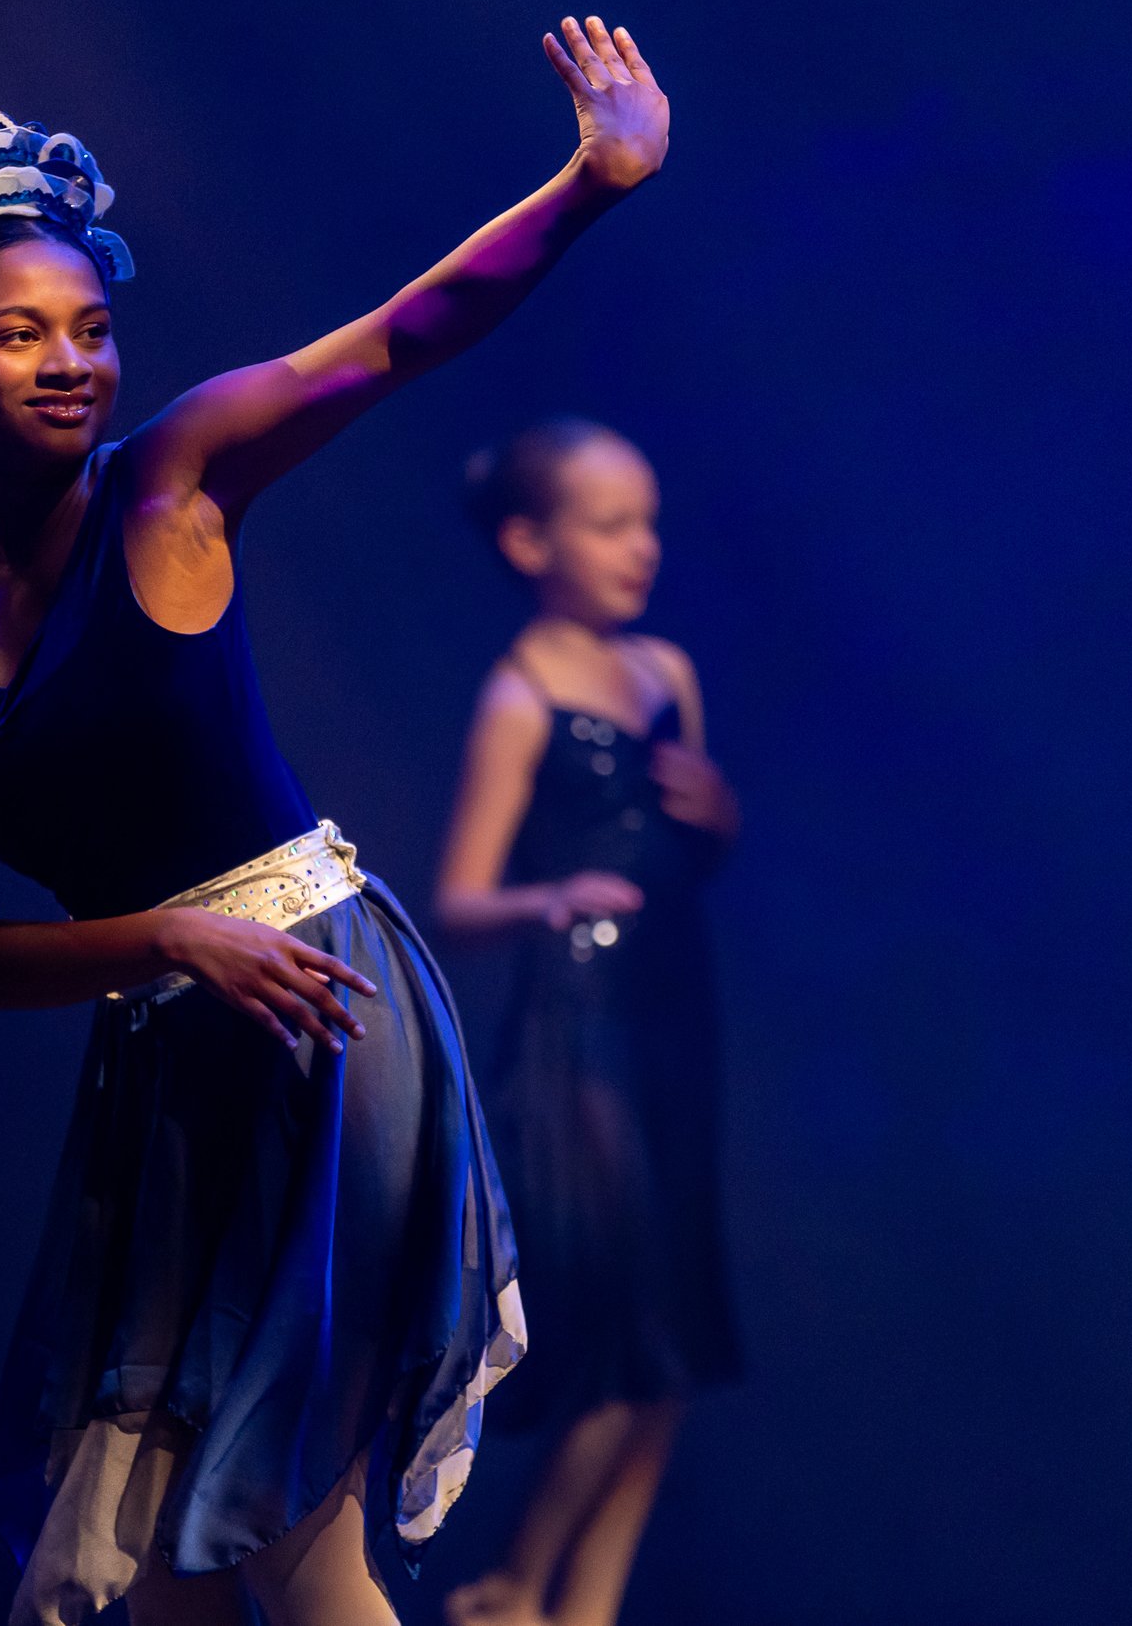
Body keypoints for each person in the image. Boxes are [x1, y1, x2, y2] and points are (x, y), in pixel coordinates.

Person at [0, 15, 671, 1626]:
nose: (72, 361)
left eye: (88, 327)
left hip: (321, 1011)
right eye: (20, 333)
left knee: (279, 1531)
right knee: (152, 1582)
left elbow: (396, 336)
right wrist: (158, 942)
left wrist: (593, 183)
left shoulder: (179, 481)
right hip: (164, 1051)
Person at [432, 420, 741, 1625]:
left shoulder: (668, 672)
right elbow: (457, 897)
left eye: (647, 521)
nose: (641, 547)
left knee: (680, 1344)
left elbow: (686, 853)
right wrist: (547, 896)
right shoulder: (518, 697)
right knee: (636, 1327)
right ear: (530, 541)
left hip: (674, 1007)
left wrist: (718, 820)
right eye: (610, 524)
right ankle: (513, 1581)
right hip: (581, 1024)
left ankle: (584, 1604)